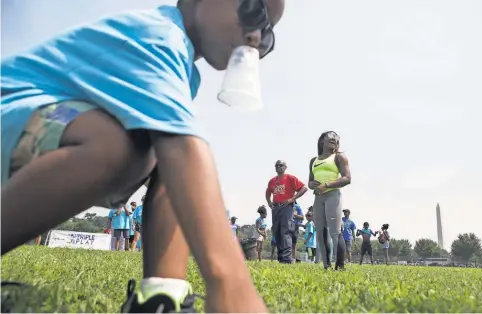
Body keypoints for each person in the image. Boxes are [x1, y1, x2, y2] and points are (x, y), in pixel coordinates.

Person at [1, 0, 285, 312]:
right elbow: (183, 147)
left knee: (167, 160)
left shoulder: (181, 65)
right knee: (122, 148)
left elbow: (177, 158)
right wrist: (231, 283)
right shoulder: (159, 35)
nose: (256, 37)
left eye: (267, 34)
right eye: (255, 11)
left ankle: (162, 296)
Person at [308, 131, 351, 270]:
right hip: (318, 198)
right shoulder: (313, 161)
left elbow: (347, 178)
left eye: (336, 137)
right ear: (322, 141)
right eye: (330, 136)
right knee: (320, 232)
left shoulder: (339, 157)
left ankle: (340, 267)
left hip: (332, 195)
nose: (334, 138)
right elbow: (309, 182)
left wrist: (326, 185)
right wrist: (312, 185)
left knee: (335, 231)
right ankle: (327, 266)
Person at [265, 160, 308, 264]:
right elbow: (267, 192)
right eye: (277, 165)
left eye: (281, 165)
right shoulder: (272, 181)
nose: (279, 167)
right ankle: (281, 258)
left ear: (285, 167)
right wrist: (269, 202)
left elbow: (304, 188)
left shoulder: (290, 178)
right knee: (277, 231)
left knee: (286, 231)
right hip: (276, 208)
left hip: (286, 207)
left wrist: (292, 199)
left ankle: (287, 258)